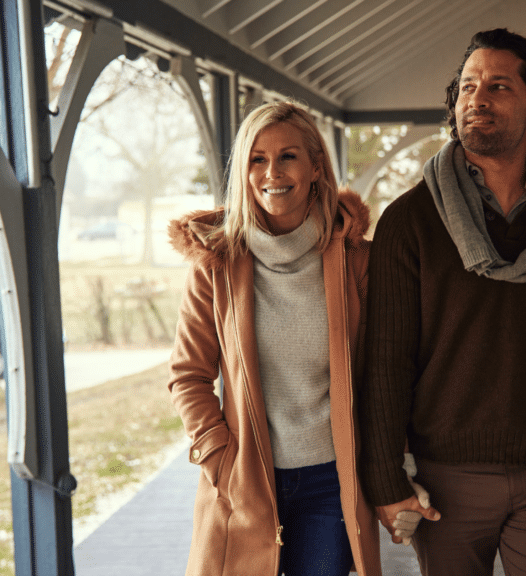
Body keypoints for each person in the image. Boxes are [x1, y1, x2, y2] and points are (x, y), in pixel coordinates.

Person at [358, 28, 526, 576]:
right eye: (468, 87)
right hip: (447, 481)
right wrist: (385, 479)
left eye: (498, 86)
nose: (477, 98)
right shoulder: (410, 221)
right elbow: (385, 362)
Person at [166, 101, 381, 576]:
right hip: (245, 478)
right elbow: (188, 375)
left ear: (315, 167)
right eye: (256, 159)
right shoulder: (215, 266)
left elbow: (383, 370)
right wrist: (219, 457)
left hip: (331, 482)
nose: (271, 172)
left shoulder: (356, 260)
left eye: (287, 157)